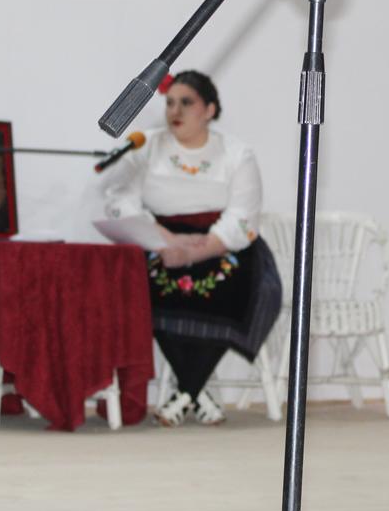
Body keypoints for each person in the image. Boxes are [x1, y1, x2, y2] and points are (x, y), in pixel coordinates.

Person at [100, 70, 282, 425]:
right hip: (160, 242)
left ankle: (187, 391)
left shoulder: (236, 153)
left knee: (238, 284)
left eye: (186, 102)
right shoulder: (145, 145)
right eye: (170, 103)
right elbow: (118, 199)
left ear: (209, 109)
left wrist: (196, 251)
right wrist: (164, 240)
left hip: (218, 244)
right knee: (142, 284)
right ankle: (195, 392)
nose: (175, 111)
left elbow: (243, 216)